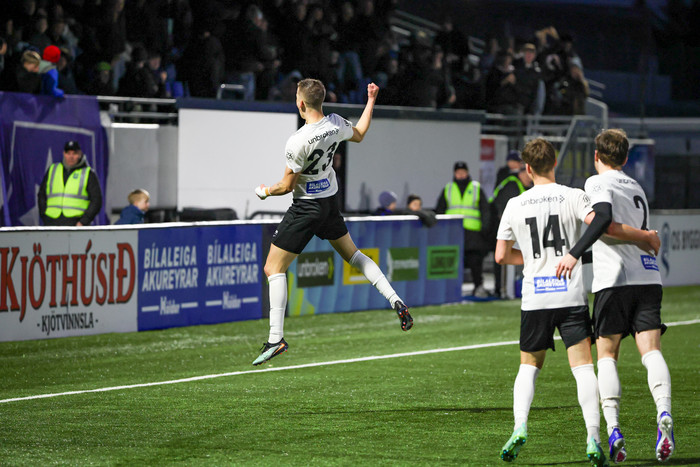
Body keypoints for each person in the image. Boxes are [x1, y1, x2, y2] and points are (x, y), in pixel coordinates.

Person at [495, 137, 659, 466]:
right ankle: (593, 437)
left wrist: (533, 261)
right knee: (583, 368)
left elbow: (501, 256)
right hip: (570, 295)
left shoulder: (514, 204)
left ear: (527, 168)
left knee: (528, 366)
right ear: (554, 163)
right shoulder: (574, 196)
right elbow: (599, 225)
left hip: (535, 297)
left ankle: (519, 426)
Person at [252, 79, 412, 366]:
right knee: (354, 255)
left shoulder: (297, 140)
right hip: (329, 203)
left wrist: (264, 191)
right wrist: (371, 100)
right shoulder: (336, 123)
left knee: (273, 268)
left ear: (301, 103)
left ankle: (276, 339)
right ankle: (395, 299)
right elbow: (360, 133)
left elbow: (287, 186)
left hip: (306, 208)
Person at [555, 129, 673, 463]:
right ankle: (664, 412)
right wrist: (644, 237)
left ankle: (614, 428)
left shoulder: (596, 182)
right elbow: (616, 239)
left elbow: (604, 222)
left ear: (597, 156)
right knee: (651, 350)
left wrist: (573, 254)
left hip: (614, 282)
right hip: (648, 277)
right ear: (625, 157)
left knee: (607, 354)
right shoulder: (635, 186)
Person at [435, 161, 492, 298]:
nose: (460, 175)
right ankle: (452, 289)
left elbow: (485, 209)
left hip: (473, 232)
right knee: (454, 261)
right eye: (458, 172)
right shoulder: (448, 188)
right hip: (454, 231)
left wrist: (484, 228)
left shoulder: (476, 188)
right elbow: (440, 209)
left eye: (463, 172)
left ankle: (478, 286)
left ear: (467, 173)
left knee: (475, 261)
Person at [489, 166, 532, 297]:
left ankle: (508, 290)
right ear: (522, 173)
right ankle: (502, 290)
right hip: (504, 229)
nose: (530, 177)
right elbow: (503, 211)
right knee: (503, 259)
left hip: (514, 231)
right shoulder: (512, 185)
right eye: (527, 173)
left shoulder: (524, 186)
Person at [38, 140, 103, 226]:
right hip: (51, 222)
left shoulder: (88, 173)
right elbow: (42, 194)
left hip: (75, 223)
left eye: (74, 153)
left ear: (80, 154)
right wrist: (44, 216)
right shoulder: (53, 169)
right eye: (68, 153)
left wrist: (83, 221)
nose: (71, 157)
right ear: (64, 154)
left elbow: (96, 200)